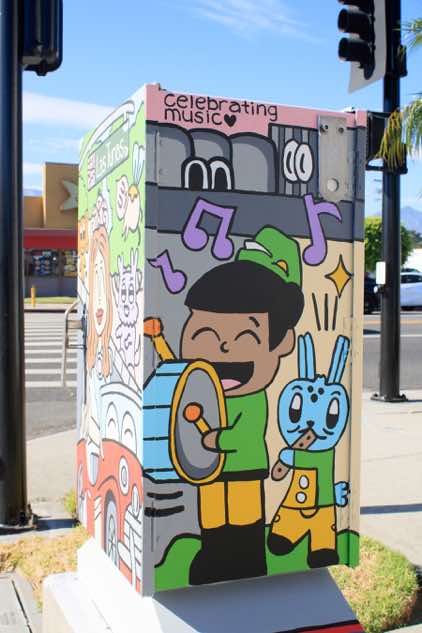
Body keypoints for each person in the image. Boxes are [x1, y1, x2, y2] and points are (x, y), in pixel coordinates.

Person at [180, 227, 304, 585]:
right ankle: (213, 553)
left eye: (245, 337)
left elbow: (246, 434)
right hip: (211, 467)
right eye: (204, 334)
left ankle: (248, 557)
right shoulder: (207, 388)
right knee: (213, 512)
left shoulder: (252, 398)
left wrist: (216, 440)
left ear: (283, 343)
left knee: (244, 512)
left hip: (246, 465)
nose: (222, 348)